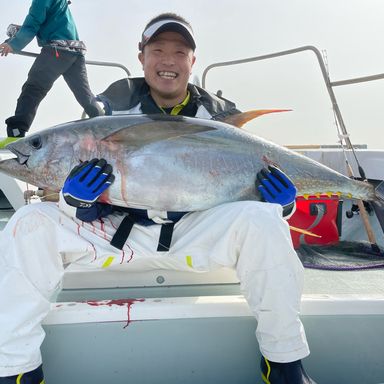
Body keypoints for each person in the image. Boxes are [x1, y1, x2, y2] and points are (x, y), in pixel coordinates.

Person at [0, 13, 317, 384]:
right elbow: (73, 197)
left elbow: (244, 186)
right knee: (29, 223)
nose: (168, 60)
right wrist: (75, 201)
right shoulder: (108, 108)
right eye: (158, 50)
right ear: (141, 57)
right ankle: (15, 370)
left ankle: (284, 363)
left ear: (192, 62)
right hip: (120, 230)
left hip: (196, 230)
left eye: (179, 52)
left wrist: (283, 205)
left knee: (264, 221)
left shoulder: (220, 114)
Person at [0, 0, 103, 148]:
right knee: (85, 96)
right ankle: (110, 130)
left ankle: (16, 135)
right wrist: (13, 39)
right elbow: (47, 23)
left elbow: (34, 22)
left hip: (57, 51)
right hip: (76, 52)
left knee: (33, 89)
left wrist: (13, 44)